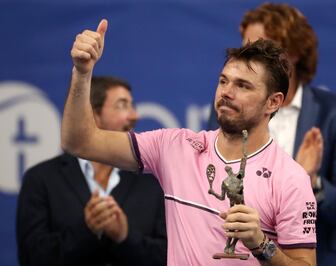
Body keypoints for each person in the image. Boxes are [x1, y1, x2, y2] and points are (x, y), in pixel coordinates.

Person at [62, 19, 317, 266]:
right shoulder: (175, 147)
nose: (226, 92)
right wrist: (82, 73)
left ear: (273, 102)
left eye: (243, 86)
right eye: (223, 80)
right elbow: (80, 142)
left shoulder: (291, 178)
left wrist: (262, 244)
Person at [208, 3, 336, 266]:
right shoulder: (229, 108)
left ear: (293, 51)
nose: (250, 55)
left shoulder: (335, 113)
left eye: (261, 45)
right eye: (246, 45)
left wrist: (312, 182)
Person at [16, 76, 167, 266]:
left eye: (132, 105)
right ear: (94, 115)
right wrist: (86, 229)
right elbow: (32, 257)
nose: (134, 115)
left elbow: (169, 257)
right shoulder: (41, 179)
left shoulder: (153, 182)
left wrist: (125, 237)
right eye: (122, 105)